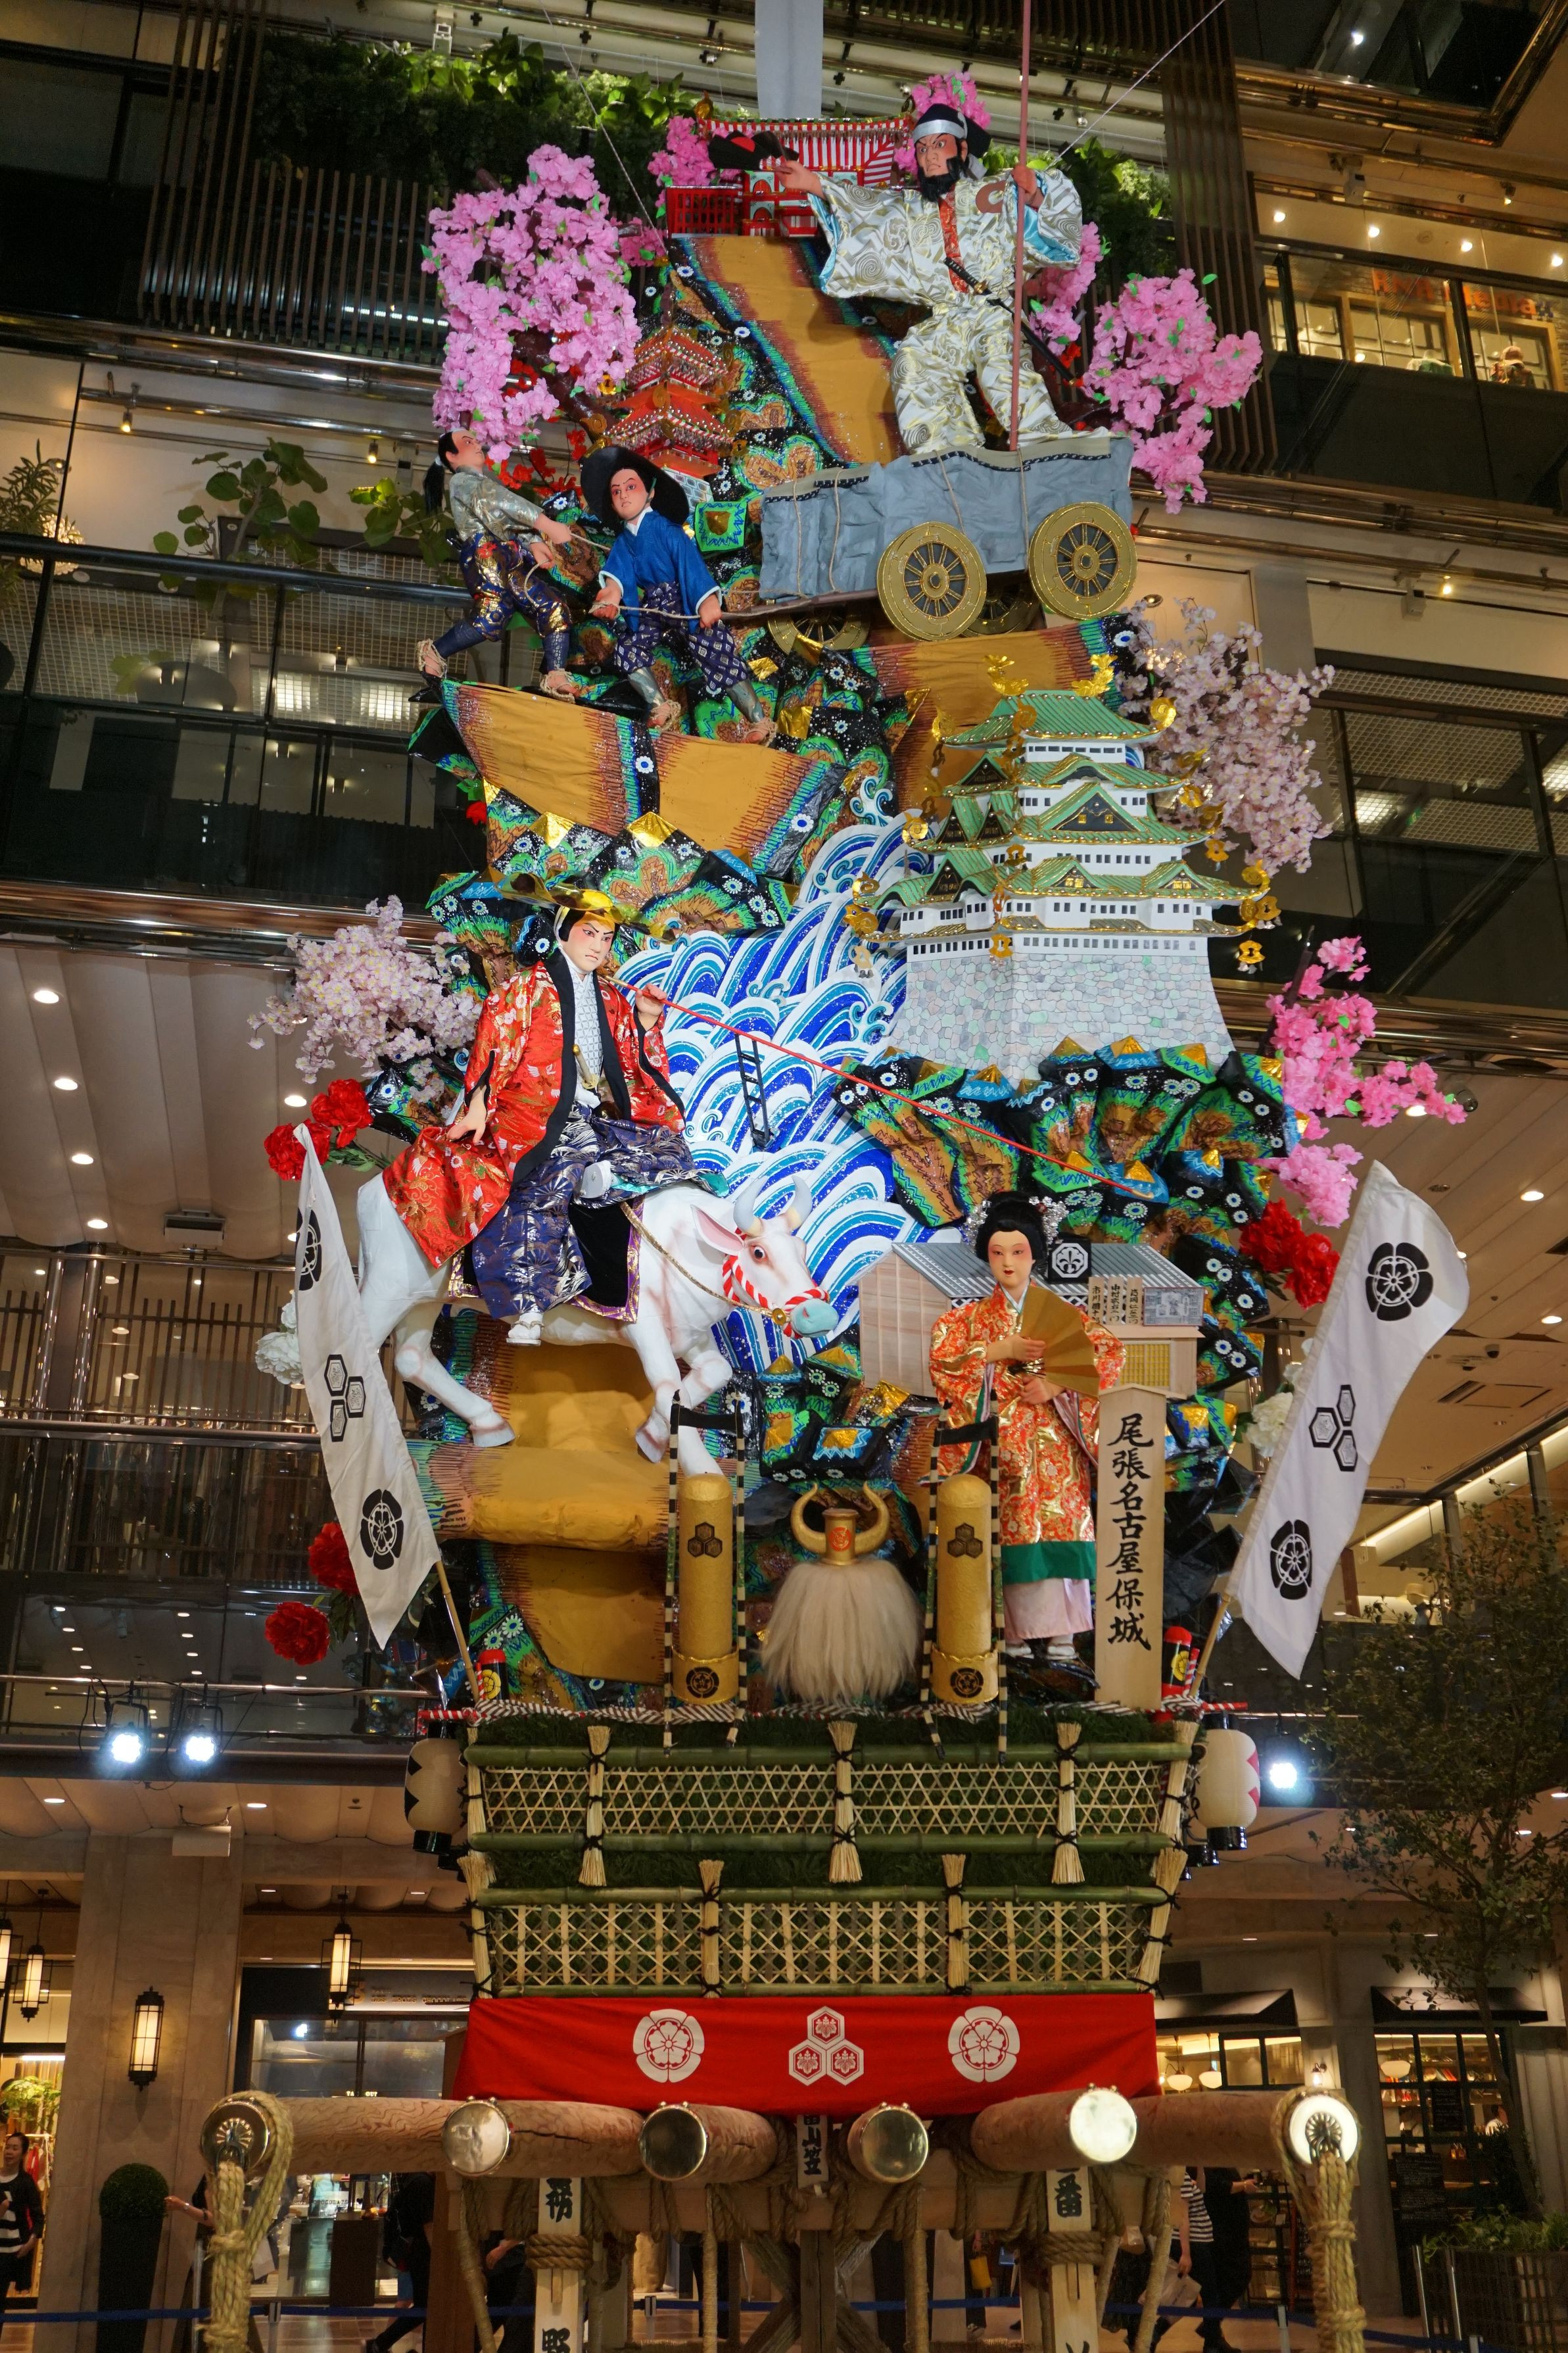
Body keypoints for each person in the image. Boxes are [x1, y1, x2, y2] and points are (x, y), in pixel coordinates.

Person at [381, 888, 698, 1346]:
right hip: (532, 1114)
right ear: (563, 932)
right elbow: (493, 1049)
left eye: (607, 938)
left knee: (668, 1151)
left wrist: (646, 1019)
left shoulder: (612, 998)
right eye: (589, 933)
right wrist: (477, 1105)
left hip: (591, 1115)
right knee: (546, 1182)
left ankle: (601, 1182)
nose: (598, 946)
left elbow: (629, 1061)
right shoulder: (522, 991)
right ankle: (528, 1304)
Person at [780, 93, 1081, 454]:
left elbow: (1050, 214)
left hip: (992, 311)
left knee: (1001, 371)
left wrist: (1033, 196)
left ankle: (1047, 444)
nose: (930, 155)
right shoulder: (911, 208)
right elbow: (869, 206)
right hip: (947, 317)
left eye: (940, 145)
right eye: (922, 149)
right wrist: (813, 183)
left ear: (963, 150)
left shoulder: (995, 193)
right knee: (913, 360)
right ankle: (948, 454)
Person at [928, 1193, 1122, 1666]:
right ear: (986, 1256)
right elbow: (944, 1361)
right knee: (1010, 1525)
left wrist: (1057, 1383)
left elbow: (1109, 1355)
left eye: (1018, 1252)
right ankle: (1011, 1630)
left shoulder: (1066, 1315)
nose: (1008, 1263)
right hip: (1003, 1441)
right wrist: (1000, 1350)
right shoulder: (967, 1319)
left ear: (1035, 1255)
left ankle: (1063, 1635)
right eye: (998, 1252)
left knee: (1063, 1520)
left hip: (1056, 1441)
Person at [581, 444, 773, 742]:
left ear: (650, 493)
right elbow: (619, 574)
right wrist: (611, 595)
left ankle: (759, 720)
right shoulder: (624, 542)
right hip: (653, 606)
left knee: (714, 649)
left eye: (631, 487)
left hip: (684, 598)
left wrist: (706, 600)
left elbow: (690, 565)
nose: (623, 496)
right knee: (627, 649)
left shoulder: (666, 530)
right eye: (616, 492)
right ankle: (660, 705)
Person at [417, 429, 588, 702]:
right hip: (484, 556)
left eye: (476, 440)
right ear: (451, 456)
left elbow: (504, 516)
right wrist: (545, 525)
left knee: (552, 605)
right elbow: (501, 504)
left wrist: (533, 542)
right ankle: (435, 653)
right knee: (492, 613)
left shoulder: (481, 483)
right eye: (468, 442)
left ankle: (556, 674)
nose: (477, 445)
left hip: (509, 556)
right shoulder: (462, 481)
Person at [366, 2172, 435, 2353]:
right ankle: (381, 2344)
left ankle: (382, 2344)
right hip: (421, 2254)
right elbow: (428, 2224)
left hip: (413, 2252)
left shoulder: (412, 2179)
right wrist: (438, 2256)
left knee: (422, 2306)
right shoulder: (421, 2182)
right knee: (421, 2305)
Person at [0, 2131, 41, 2325]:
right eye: (7, 2147)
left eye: (15, 2148)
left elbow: (38, 2217)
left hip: (10, 2252)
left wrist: (31, 2242)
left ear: (23, 2153)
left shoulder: (25, 2182)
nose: (9, 2151)